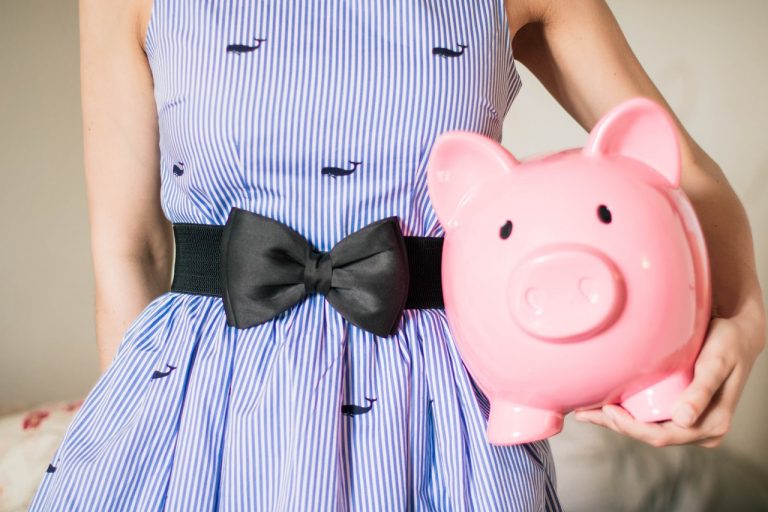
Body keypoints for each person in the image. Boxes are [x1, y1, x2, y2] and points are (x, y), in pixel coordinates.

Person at [29, 0, 766, 510]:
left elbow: (686, 178)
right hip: (204, 411)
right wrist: (146, 444)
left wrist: (744, 320)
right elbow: (131, 250)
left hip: (436, 415)